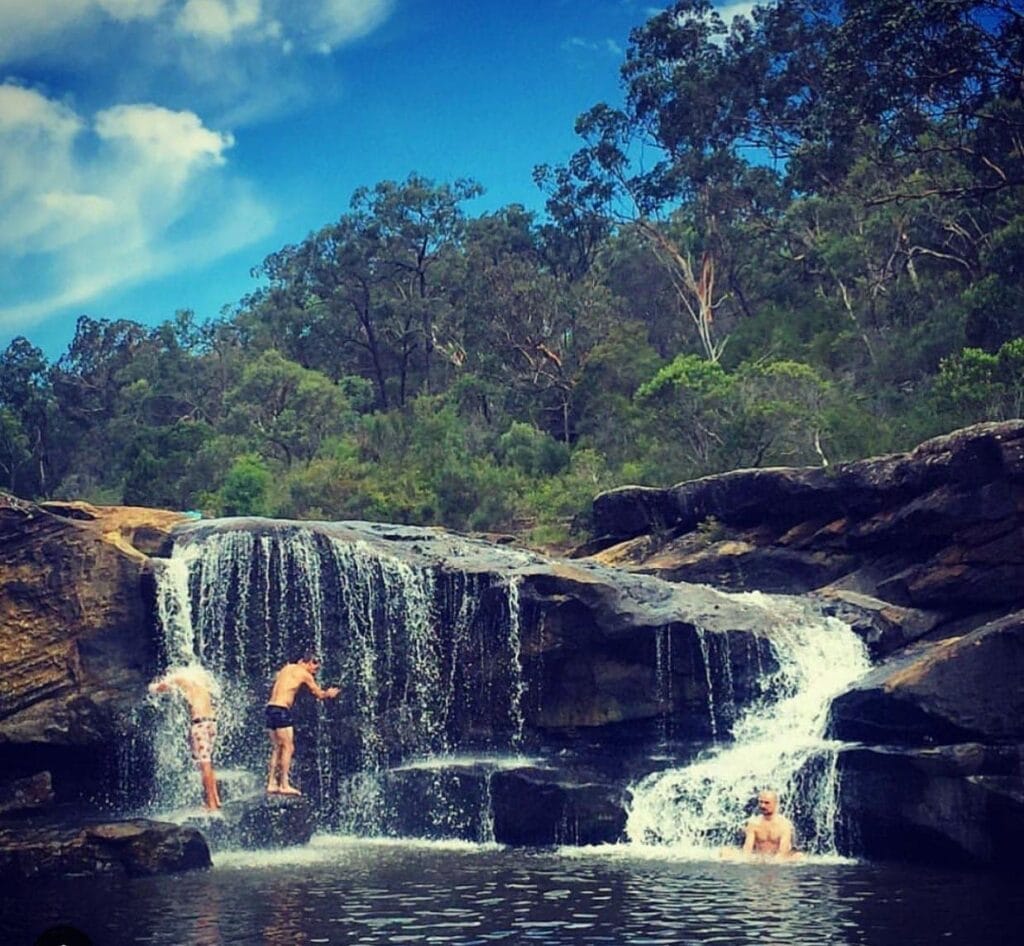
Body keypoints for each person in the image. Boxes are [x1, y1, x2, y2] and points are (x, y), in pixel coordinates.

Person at [265, 651, 340, 796]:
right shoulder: (305, 674)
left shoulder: (286, 668)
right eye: (315, 668)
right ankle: (284, 785)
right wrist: (329, 693)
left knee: (276, 748)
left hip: (270, 708)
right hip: (281, 710)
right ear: (309, 662)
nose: (315, 672)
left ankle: (271, 783)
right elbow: (319, 694)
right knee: (288, 747)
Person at [149, 666, 222, 810]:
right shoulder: (200, 681)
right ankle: (216, 799)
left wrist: (153, 686)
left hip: (200, 725)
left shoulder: (181, 678)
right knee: (208, 763)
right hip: (211, 724)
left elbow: (159, 688)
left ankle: (211, 804)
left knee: (204, 764)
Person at [742, 789, 799, 858]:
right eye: (761, 802)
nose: (763, 806)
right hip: (760, 858)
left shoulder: (784, 825)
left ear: (775, 803)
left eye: (767, 803)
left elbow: (783, 852)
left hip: (779, 861)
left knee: (798, 856)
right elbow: (747, 850)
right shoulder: (753, 824)